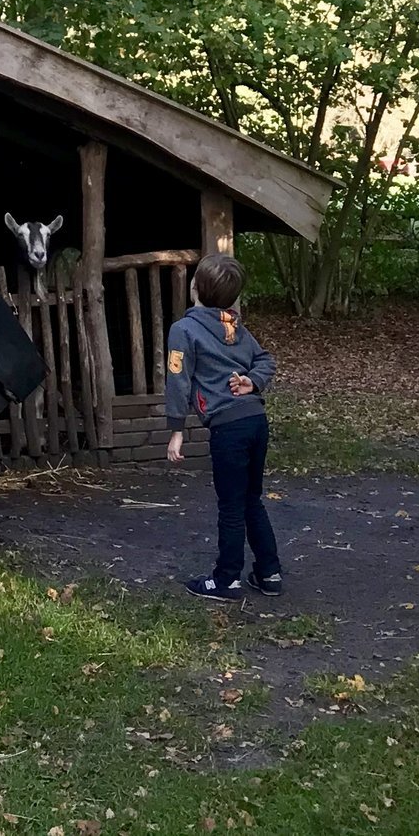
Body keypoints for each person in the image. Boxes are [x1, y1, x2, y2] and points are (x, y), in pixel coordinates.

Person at [163, 253, 281, 601]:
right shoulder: (234, 327)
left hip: (229, 430)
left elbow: (177, 378)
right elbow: (266, 359)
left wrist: (176, 429)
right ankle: (269, 573)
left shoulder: (183, 330)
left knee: (231, 506)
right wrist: (253, 382)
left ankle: (226, 579)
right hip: (256, 422)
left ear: (194, 287)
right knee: (251, 500)